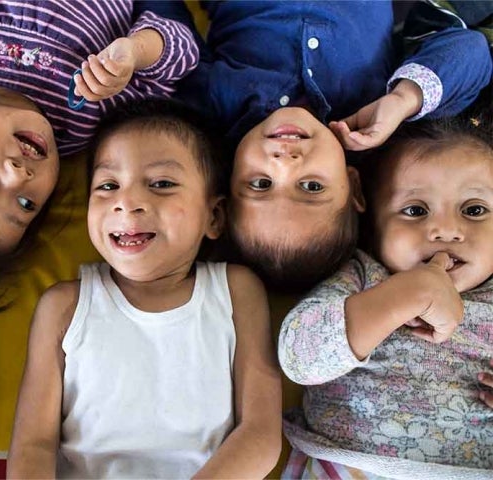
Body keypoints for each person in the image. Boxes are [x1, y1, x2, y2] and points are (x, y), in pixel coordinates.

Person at [6, 99, 281, 478]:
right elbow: (32, 445)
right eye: (108, 185)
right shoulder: (64, 306)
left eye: (162, 184)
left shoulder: (236, 292)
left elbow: (261, 434)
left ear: (213, 216)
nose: (127, 202)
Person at [147, 0, 493, 291]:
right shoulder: (377, 118)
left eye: (261, 184)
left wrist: (139, 48)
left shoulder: (215, 106)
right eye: (312, 186)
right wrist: (404, 98)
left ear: (228, 178)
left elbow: (170, 35)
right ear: (353, 184)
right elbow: (471, 52)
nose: (284, 161)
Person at [0, 0, 199, 279]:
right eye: (25, 203)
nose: (18, 175)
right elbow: (182, 50)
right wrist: (133, 53)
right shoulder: (86, 118)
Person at [277, 113, 493, 478]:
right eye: (415, 211)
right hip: (347, 465)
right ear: (373, 222)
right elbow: (298, 356)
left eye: (474, 210)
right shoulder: (365, 276)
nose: (446, 230)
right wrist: (401, 296)